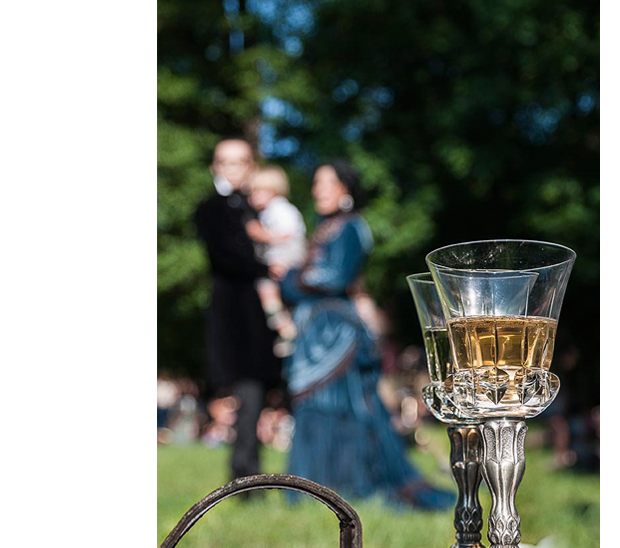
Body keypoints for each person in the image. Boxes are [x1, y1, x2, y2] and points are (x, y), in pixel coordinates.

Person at [279, 160, 453, 510]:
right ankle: (316, 488)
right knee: (317, 406)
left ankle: (349, 484)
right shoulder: (326, 229)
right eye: (316, 183)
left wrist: (290, 280)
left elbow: (334, 278)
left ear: (346, 188)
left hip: (336, 337)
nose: (317, 190)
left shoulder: (352, 228)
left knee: (344, 407)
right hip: (316, 333)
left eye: (326, 183)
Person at [192, 138, 280, 482]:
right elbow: (226, 257)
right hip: (233, 314)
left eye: (241, 161)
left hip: (257, 315)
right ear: (217, 167)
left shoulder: (259, 207)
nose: (234, 169)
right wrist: (264, 268)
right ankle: (244, 474)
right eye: (226, 162)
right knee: (242, 389)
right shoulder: (211, 209)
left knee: (255, 390)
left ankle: (250, 471)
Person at [245, 165, 306, 353]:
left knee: (267, 288)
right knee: (266, 289)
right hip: (280, 257)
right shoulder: (268, 212)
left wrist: (261, 234)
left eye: (256, 192)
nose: (252, 197)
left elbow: (289, 236)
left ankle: (285, 327)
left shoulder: (280, 208)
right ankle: (285, 327)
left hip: (288, 254)